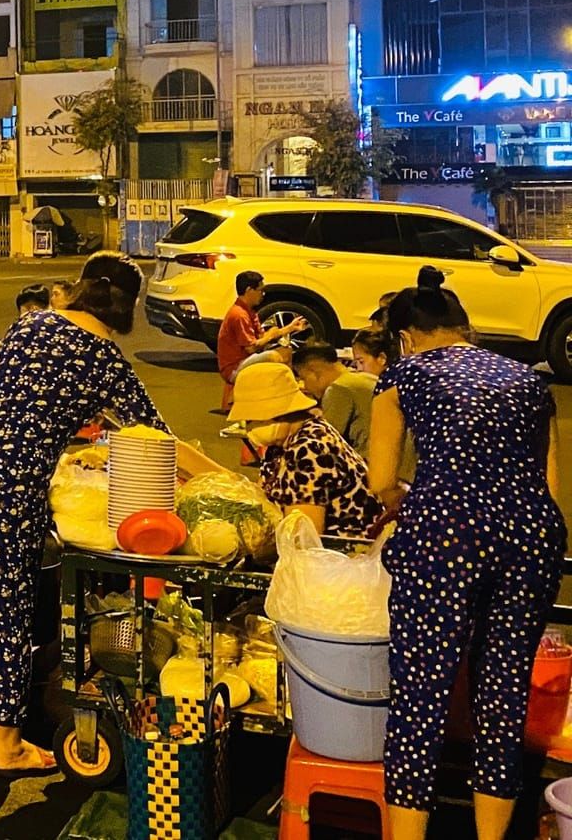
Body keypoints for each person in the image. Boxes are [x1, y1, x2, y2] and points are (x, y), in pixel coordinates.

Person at [0, 253, 222, 770]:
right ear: (127, 308)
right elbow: (157, 441)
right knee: (8, 605)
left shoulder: (33, 323)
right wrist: (225, 478)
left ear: (81, 288)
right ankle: (7, 745)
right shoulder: (107, 362)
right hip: (9, 476)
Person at [368, 269, 563, 840]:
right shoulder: (529, 381)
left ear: (406, 337)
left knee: (420, 699)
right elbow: (549, 486)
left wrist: (409, 498)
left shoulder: (404, 374)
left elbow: (381, 480)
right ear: (466, 329)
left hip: (446, 538)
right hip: (532, 539)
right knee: (503, 696)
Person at [229, 362, 385, 538]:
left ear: (280, 414)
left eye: (252, 419)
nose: (250, 427)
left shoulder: (309, 448)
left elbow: (302, 536)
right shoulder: (280, 445)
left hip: (342, 550)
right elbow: (261, 495)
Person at [216, 270, 306, 393]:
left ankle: (287, 388)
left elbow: (262, 337)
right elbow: (251, 348)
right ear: (249, 290)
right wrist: (271, 336)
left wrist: (290, 328)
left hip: (246, 359)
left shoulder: (249, 311)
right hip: (234, 368)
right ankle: (287, 389)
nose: (262, 294)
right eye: (260, 290)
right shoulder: (239, 315)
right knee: (274, 356)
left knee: (286, 351)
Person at [349, 324, 416, 482]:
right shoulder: (405, 377)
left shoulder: (384, 388)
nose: (358, 369)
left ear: (382, 358)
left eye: (361, 362)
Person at [291, 340, 378, 458]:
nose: (304, 386)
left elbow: (325, 443)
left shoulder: (338, 389)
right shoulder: (362, 378)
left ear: (314, 372)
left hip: (372, 463)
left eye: (304, 378)